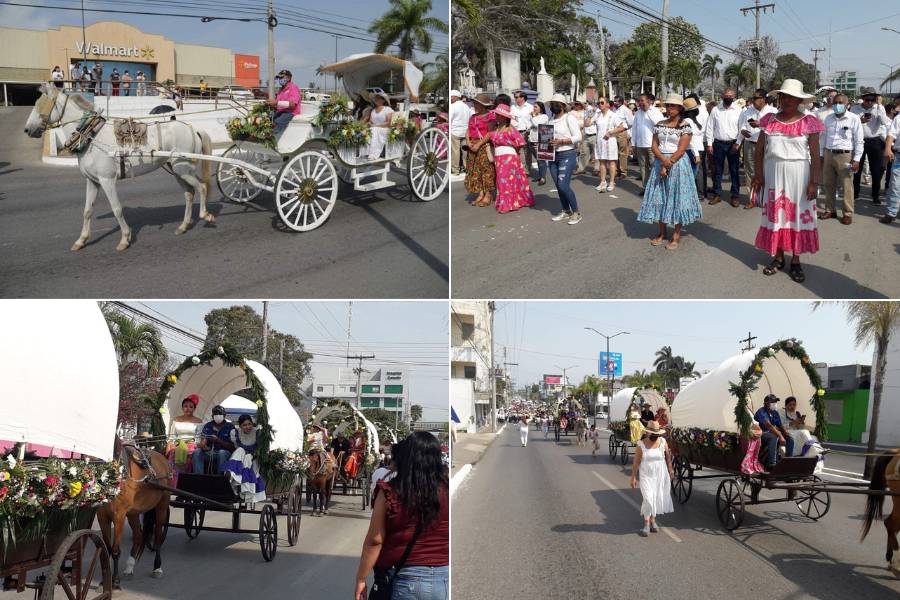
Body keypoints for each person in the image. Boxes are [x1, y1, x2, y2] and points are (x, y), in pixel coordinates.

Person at [354, 432, 448, 600]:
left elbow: (375, 540)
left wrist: (361, 577)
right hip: (445, 579)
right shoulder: (446, 489)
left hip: (408, 581)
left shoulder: (390, 491)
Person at [751, 79, 823, 284]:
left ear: (800, 100)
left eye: (792, 97)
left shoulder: (810, 122)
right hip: (773, 173)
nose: (787, 100)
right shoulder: (769, 120)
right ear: (779, 98)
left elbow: (815, 156)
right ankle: (779, 257)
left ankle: (796, 261)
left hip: (799, 175)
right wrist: (758, 175)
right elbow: (759, 150)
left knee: (796, 216)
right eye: (784, 96)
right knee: (777, 215)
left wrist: (813, 183)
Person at [638, 93, 702, 250]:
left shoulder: (685, 126)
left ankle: (676, 234)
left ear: (680, 108)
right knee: (660, 197)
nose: (669, 108)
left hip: (678, 164)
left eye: (672, 106)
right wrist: (662, 161)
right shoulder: (659, 123)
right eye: (667, 105)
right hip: (660, 162)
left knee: (677, 198)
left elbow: (681, 149)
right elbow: (654, 145)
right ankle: (661, 232)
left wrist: (667, 164)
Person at [820, 94, 863, 224]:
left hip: (845, 155)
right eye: (835, 102)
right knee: (828, 184)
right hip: (828, 153)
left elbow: (859, 141)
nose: (837, 105)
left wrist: (856, 159)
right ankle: (830, 210)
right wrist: (821, 155)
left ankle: (847, 213)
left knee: (846, 185)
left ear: (846, 104)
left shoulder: (854, 118)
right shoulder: (828, 118)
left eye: (840, 102)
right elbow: (823, 137)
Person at [488, 103, 535, 214]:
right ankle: (515, 201)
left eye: (499, 114)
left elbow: (521, 143)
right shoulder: (497, 128)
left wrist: (515, 154)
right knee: (504, 180)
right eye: (496, 114)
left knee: (504, 179)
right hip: (499, 158)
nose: (497, 116)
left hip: (509, 157)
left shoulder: (510, 129)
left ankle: (508, 204)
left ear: (505, 117)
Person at [629, 421, 674, 536]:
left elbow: (668, 457)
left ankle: (653, 520)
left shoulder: (663, 442)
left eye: (657, 434)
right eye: (653, 434)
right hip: (646, 476)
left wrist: (670, 470)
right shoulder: (641, 444)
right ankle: (646, 524)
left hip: (660, 475)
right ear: (648, 433)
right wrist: (633, 477)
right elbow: (636, 463)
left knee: (656, 497)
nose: (655, 436)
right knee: (648, 499)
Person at [738, 88, 777, 208]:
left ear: (763, 99)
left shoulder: (773, 112)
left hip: (766, 145)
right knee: (750, 171)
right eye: (752, 98)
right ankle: (752, 198)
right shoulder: (747, 111)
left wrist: (761, 124)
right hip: (750, 144)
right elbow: (741, 125)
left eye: (756, 98)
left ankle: (766, 198)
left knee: (766, 171)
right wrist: (743, 131)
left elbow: (775, 129)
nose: (753, 100)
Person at [547, 93, 583, 224]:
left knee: (563, 185)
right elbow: (548, 139)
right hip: (552, 156)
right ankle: (565, 210)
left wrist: (561, 141)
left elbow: (578, 137)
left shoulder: (569, 118)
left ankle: (576, 212)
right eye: (552, 104)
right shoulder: (550, 121)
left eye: (556, 104)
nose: (553, 106)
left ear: (562, 106)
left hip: (567, 154)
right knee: (558, 185)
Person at [850, 92, 891, 205]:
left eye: (872, 100)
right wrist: (860, 121)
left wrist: (879, 106)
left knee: (876, 171)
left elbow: (884, 122)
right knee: (857, 169)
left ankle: (875, 196)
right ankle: (855, 194)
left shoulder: (878, 107)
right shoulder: (855, 108)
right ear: (863, 99)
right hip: (860, 140)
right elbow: (851, 123)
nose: (869, 102)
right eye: (867, 99)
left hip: (875, 141)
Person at [705, 88, 743, 206]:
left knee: (734, 170)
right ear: (722, 96)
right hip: (718, 144)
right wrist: (709, 144)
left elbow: (742, 128)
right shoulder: (716, 110)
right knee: (717, 170)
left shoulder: (738, 110)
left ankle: (735, 196)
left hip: (733, 144)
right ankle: (717, 194)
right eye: (726, 95)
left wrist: (738, 143)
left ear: (734, 97)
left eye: (731, 96)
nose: (729, 98)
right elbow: (710, 127)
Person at [223, 414, 266, 503]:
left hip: (254, 459)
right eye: (244, 425)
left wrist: (252, 455)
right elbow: (236, 447)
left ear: (252, 424)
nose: (247, 427)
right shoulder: (236, 433)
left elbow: (260, 450)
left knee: (248, 457)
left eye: (249, 424)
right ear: (240, 426)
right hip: (240, 458)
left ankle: (246, 488)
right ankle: (231, 473)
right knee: (240, 450)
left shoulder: (257, 433)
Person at [464, 93, 496, 207]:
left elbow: (490, 133)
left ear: (483, 105)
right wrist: (468, 142)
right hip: (472, 145)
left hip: (483, 145)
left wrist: (478, 144)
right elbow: (467, 131)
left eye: (477, 103)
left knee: (486, 170)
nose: (475, 105)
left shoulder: (490, 116)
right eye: (475, 103)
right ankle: (481, 193)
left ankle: (488, 194)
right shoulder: (472, 117)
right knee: (475, 170)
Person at [631, 93, 665, 194]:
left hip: (652, 145)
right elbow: (634, 129)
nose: (640, 103)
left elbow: (660, 124)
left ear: (648, 101)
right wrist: (633, 143)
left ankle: (656, 187)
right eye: (639, 101)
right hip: (640, 144)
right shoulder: (637, 113)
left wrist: (648, 112)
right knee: (643, 167)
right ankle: (646, 188)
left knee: (655, 166)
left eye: (642, 101)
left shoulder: (655, 111)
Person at [591, 97, 626, 192]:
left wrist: (611, 132)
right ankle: (602, 182)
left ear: (607, 104)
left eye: (602, 102)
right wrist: (588, 114)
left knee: (611, 162)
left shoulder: (613, 115)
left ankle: (611, 182)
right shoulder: (597, 115)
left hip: (610, 141)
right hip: (600, 141)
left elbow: (622, 127)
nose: (600, 104)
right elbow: (587, 123)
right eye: (598, 103)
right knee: (602, 162)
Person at [166, 395, 202, 483]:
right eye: (185, 406)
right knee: (173, 451)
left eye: (191, 407)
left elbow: (198, 437)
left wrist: (194, 445)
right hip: (178, 443)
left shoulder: (199, 421)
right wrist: (171, 444)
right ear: (182, 408)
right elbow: (171, 436)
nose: (188, 409)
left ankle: (187, 482)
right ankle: (174, 482)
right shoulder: (176, 419)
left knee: (189, 453)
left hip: (192, 444)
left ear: (194, 409)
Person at [192, 405, 236, 474]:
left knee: (222, 453)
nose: (218, 415)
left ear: (224, 415)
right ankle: (198, 479)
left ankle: (220, 480)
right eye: (216, 414)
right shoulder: (208, 426)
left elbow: (232, 447)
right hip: (210, 453)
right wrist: (203, 446)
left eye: (220, 414)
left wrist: (218, 440)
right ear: (212, 416)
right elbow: (203, 441)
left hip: (224, 454)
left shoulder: (230, 426)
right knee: (197, 452)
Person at [754, 394, 793, 469]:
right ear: (765, 404)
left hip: (771, 433)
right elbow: (769, 426)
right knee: (774, 437)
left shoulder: (775, 412)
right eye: (772, 402)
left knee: (790, 439)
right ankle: (772, 464)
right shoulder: (761, 412)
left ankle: (788, 462)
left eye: (775, 402)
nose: (774, 404)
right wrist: (781, 436)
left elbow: (779, 425)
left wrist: (785, 433)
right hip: (760, 434)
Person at [682, 96, 706, 197]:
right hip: (692, 151)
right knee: (692, 175)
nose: (697, 110)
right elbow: (690, 139)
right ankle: (691, 196)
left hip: (696, 149)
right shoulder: (688, 121)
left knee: (694, 174)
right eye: (695, 109)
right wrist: (696, 154)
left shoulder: (692, 120)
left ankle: (696, 194)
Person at [267, 69, 301, 138]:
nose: (280, 79)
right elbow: (278, 103)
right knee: (267, 118)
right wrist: (271, 104)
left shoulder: (293, 88)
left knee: (277, 122)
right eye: (279, 78)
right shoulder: (281, 89)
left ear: (288, 78)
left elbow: (292, 104)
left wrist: (276, 102)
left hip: (290, 112)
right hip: (281, 111)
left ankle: (270, 138)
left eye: (282, 77)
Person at [881, 110, 900, 224]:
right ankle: (891, 212)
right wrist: (888, 148)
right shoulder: (899, 118)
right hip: (899, 157)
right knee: (895, 186)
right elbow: (892, 133)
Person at [449, 90, 471, 176]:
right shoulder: (466, 106)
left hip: (455, 132)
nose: (450, 98)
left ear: (456, 97)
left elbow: (450, 119)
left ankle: (455, 170)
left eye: (451, 96)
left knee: (455, 152)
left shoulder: (453, 106)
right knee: (465, 151)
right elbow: (469, 118)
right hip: (465, 131)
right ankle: (466, 168)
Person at [511, 91, 534, 174]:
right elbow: (511, 119)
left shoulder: (530, 107)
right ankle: (520, 168)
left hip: (526, 131)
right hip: (515, 131)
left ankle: (527, 168)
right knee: (517, 151)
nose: (515, 99)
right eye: (515, 97)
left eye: (517, 97)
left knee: (527, 151)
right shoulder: (513, 107)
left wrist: (529, 129)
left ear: (522, 98)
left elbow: (533, 119)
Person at [529, 101, 549, 185]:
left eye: (536, 107)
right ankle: (541, 176)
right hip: (532, 140)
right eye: (534, 107)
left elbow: (537, 125)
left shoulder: (544, 116)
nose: (534, 108)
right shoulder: (534, 117)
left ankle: (543, 178)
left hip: (540, 140)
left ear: (541, 108)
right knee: (538, 160)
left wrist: (533, 116)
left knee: (541, 160)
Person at [613, 95, 634, 178]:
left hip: (622, 132)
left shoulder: (625, 110)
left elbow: (631, 122)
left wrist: (624, 129)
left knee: (622, 153)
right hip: (615, 132)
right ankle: (617, 170)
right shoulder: (615, 110)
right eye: (614, 101)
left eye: (616, 101)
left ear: (621, 102)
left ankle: (623, 172)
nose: (615, 102)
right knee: (616, 152)